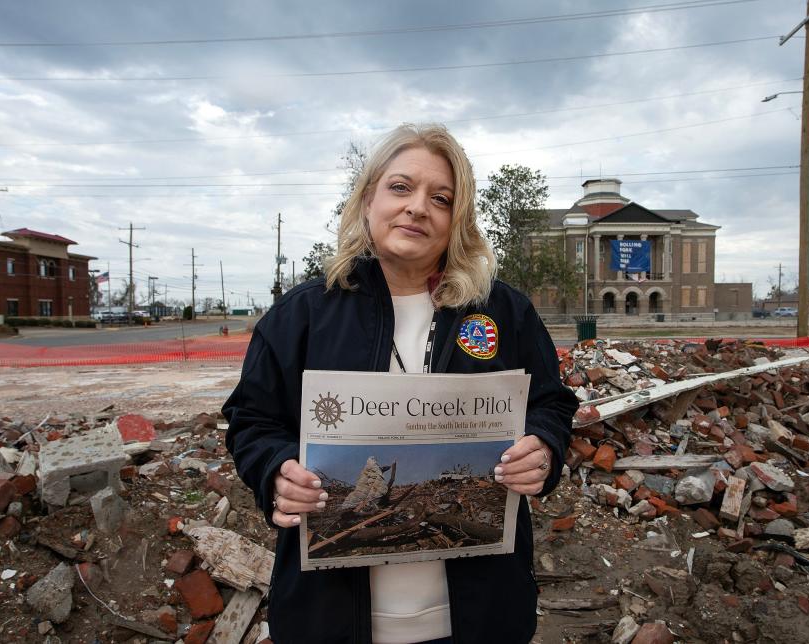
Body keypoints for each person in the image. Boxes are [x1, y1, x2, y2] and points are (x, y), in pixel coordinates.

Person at [223, 123, 577, 644]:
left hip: (480, 618)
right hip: (330, 620)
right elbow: (252, 420)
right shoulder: (303, 315)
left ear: (457, 220)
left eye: (441, 198)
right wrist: (275, 473)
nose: (417, 207)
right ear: (368, 199)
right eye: (400, 187)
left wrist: (543, 448)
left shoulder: (504, 312)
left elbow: (552, 402)